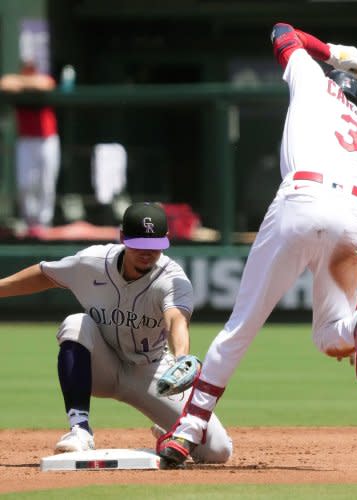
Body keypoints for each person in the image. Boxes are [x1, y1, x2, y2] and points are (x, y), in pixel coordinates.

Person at [157, 22, 357, 467]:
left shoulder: (313, 81)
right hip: (353, 216)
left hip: (303, 197)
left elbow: (283, 32)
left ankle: (187, 431)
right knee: (327, 335)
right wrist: (356, 301)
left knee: (241, 327)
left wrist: (332, 50)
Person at [0, 201, 232, 464]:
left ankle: (167, 427)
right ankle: (80, 430)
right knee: (76, 323)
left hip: (153, 374)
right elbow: (45, 274)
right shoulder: (93, 262)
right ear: (122, 237)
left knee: (218, 451)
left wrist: (181, 358)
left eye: (154, 246)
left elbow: (176, 320)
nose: (147, 253)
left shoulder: (172, 279)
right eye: (139, 246)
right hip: (102, 366)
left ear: (166, 241)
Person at [0, 60, 60, 233]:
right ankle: (30, 223)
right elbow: (4, 83)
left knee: (46, 182)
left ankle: (44, 223)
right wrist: (25, 83)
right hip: (26, 139)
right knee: (25, 183)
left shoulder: (42, 79)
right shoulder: (17, 80)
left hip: (47, 138)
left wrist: (26, 84)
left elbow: (46, 84)